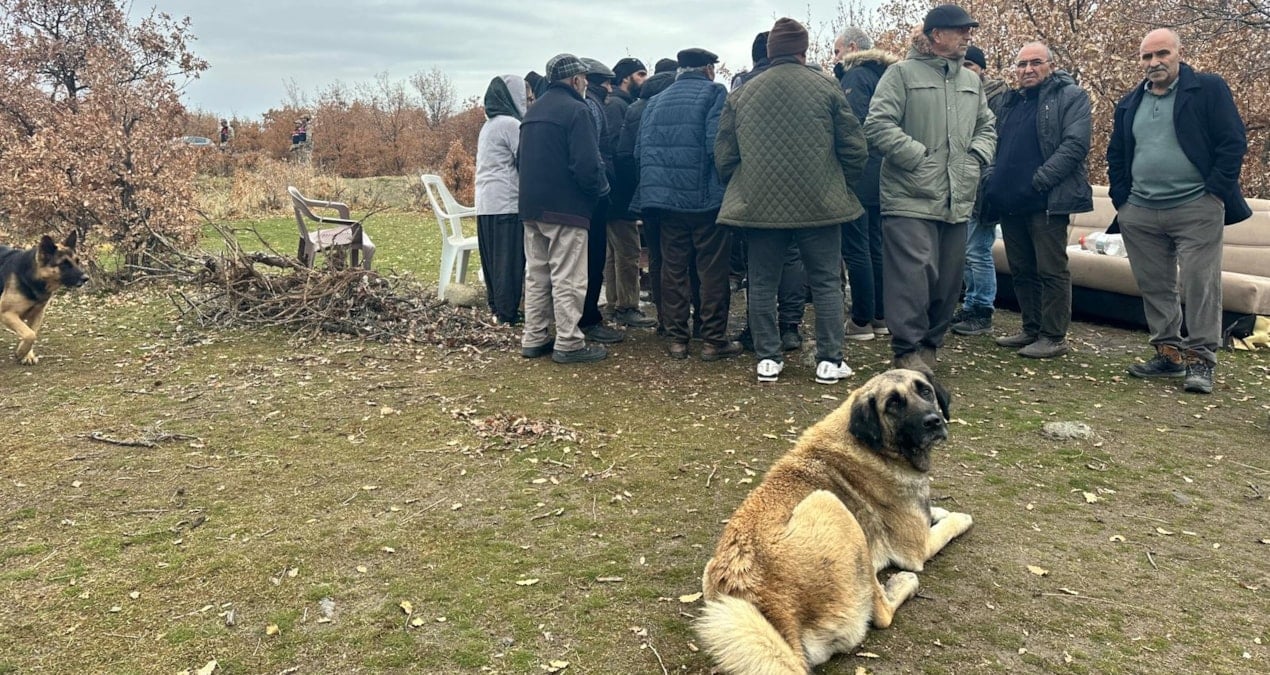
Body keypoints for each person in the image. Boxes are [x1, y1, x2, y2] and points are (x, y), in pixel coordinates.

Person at [716, 17, 868, 385]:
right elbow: (855, 148)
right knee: (828, 282)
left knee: (762, 283)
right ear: (803, 50)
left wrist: (746, 184)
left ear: (770, 52)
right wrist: (838, 183)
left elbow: (724, 156)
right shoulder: (827, 88)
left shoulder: (741, 94)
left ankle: (768, 359)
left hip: (759, 204)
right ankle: (829, 361)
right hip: (820, 203)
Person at [1108, 28, 1251, 393]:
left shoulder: (1208, 89)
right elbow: (1117, 155)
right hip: (1139, 210)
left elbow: (1232, 141)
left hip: (1196, 207)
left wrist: (1215, 193)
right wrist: (1122, 200)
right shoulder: (1129, 102)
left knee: (1200, 284)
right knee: (1154, 285)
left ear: (1179, 54)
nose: (1154, 62)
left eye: (1162, 54)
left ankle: (1201, 361)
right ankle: (1169, 354)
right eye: (1146, 56)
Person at [863, 4, 996, 374]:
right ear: (936, 35)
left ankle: (931, 346)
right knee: (913, 275)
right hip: (909, 195)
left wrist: (975, 158)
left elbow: (988, 126)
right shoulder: (900, 74)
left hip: (957, 195)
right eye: (961, 30)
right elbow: (877, 125)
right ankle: (907, 350)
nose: (968, 36)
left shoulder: (972, 82)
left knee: (948, 280)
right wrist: (918, 157)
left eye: (970, 30)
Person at [984, 42, 1092, 358]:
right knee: (1022, 269)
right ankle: (1031, 328)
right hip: (1009, 199)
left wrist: (1040, 180)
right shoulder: (1008, 101)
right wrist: (992, 177)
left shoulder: (1070, 97)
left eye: (1035, 63)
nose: (1028, 69)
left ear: (1051, 66)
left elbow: (1075, 145)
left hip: (1046, 199)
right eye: (1021, 64)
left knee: (1051, 269)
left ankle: (1053, 336)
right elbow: (993, 142)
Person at [637, 47, 742, 362]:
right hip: (704, 202)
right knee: (712, 271)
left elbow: (640, 152)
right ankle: (713, 340)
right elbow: (717, 147)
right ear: (709, 69)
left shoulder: (654, 101)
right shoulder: (715, 94)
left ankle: (678, 340)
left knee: (673, 270)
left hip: (666, 205)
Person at [517, 54, 611, 364]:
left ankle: (534, 336)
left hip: (531, 207)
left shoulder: (532, 113)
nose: (586, 83)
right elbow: (587, 164)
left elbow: (520, 161)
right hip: (566, 208)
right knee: (568, 276)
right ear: (575, 80)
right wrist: (598, 193)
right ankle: (569, 341)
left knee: (537, 274)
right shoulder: (577, 110)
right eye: (584, 78)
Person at [731, 30, 807, 354]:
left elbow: (728, 141)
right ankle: (790, 327)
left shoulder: (742, 85)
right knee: (792, 257)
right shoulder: (805, 82)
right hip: (800, 182)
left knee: (759, 264)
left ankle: (758, 331)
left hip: (755, 184)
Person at [834, 25, 898, 341]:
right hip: (880, 172)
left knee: (857, 246)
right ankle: (880, 315)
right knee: (875, 245)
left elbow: (852, 128)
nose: (835, 57)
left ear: (853, 47)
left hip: (860, 174)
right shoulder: (882, 76)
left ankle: (860, 319)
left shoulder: (856, 77)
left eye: (837, 50)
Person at [619, 58, 684, 337]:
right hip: (680, 194)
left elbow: (627, 154)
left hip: (648, 195)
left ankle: (664, 318)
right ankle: (686, 317)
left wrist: (642, 183)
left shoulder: (635, 108)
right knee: (683, 257)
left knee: (657, 256)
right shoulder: (676, 106)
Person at [949, 45, 1010, 337]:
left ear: (982, 69)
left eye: (971, 65)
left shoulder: (998, 100)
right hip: (961, 186)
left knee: (978, 251)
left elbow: (998, 145)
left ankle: (982, 310)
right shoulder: (959, 97)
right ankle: (971, 304)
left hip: (985, 189)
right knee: (965, 252)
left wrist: (984, 177)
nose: (965, 70)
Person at [603, 57, 656, 329]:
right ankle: (626, 306)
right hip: (620, 192)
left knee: (616, 251)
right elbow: (617, 151)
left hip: (614, 192)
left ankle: (615, 304)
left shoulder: (617, 104)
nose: (645, 79)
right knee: (627, 250)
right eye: (640, 73)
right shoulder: (617, 107)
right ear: (625, 78)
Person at [576, 57, 626, 344]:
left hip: (583, 197)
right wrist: (604, 189)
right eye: (608, 82)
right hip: (595, 196)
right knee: (593, 259)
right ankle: (590, 318)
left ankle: (583, 314)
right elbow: (595, 154)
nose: (610, 87)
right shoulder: (593, 108)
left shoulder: (586, 105)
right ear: (598, 82)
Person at [475, 74, 529, 326]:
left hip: (485, 202)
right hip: (506, 200)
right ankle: (508, 312)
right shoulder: (511, 124)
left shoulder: (488, 126)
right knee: (508, 260)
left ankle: (497, 307)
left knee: (492, 260)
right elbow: (525, 158)